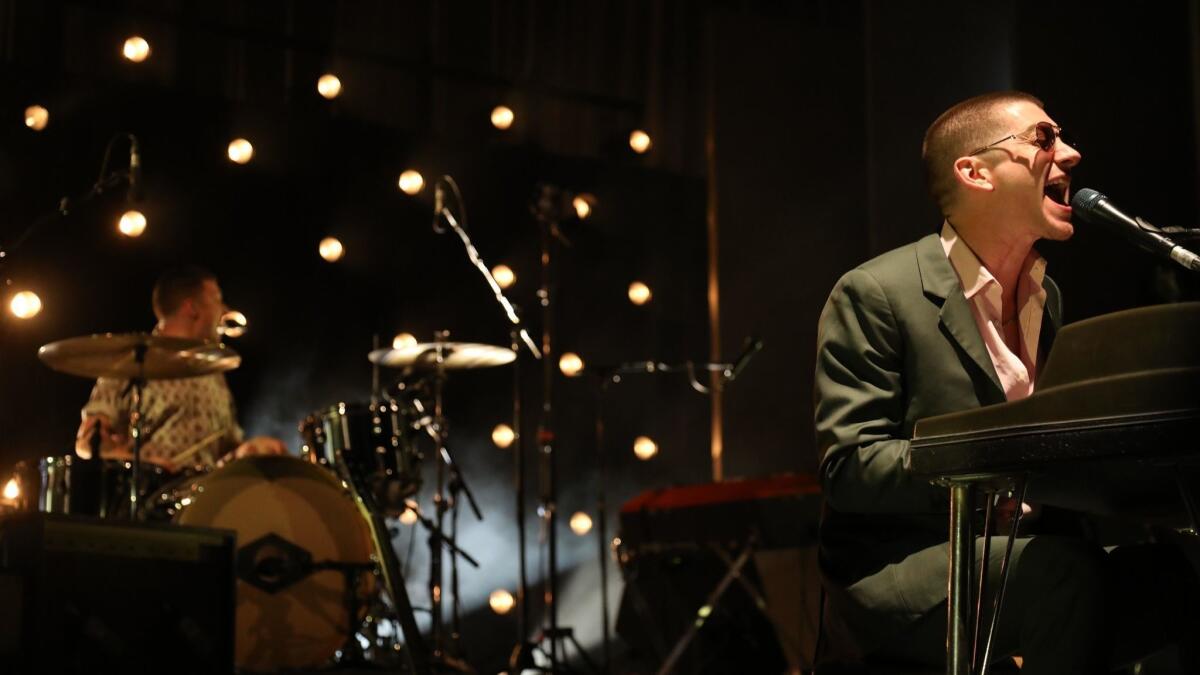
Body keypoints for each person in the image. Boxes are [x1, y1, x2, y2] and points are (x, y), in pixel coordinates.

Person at [814, 92, 1197, 673]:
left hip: (1033, 557)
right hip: (902, 567)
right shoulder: (876, 292)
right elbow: (850, 467)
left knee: (1176, 575)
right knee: (1067, 576)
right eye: (1044, 138)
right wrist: (992, 465)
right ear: (974, 172)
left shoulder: (1049, 296)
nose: (1071, 153)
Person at [74, 265, 285, 472]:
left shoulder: (212, 371)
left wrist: (248, 449)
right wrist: (141, 465)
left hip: (207, 498)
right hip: (149, 498)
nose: (225, 310)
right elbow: (86, 444)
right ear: (192, 308)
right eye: (217, 300)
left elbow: (224, 451)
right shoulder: (131, 363)